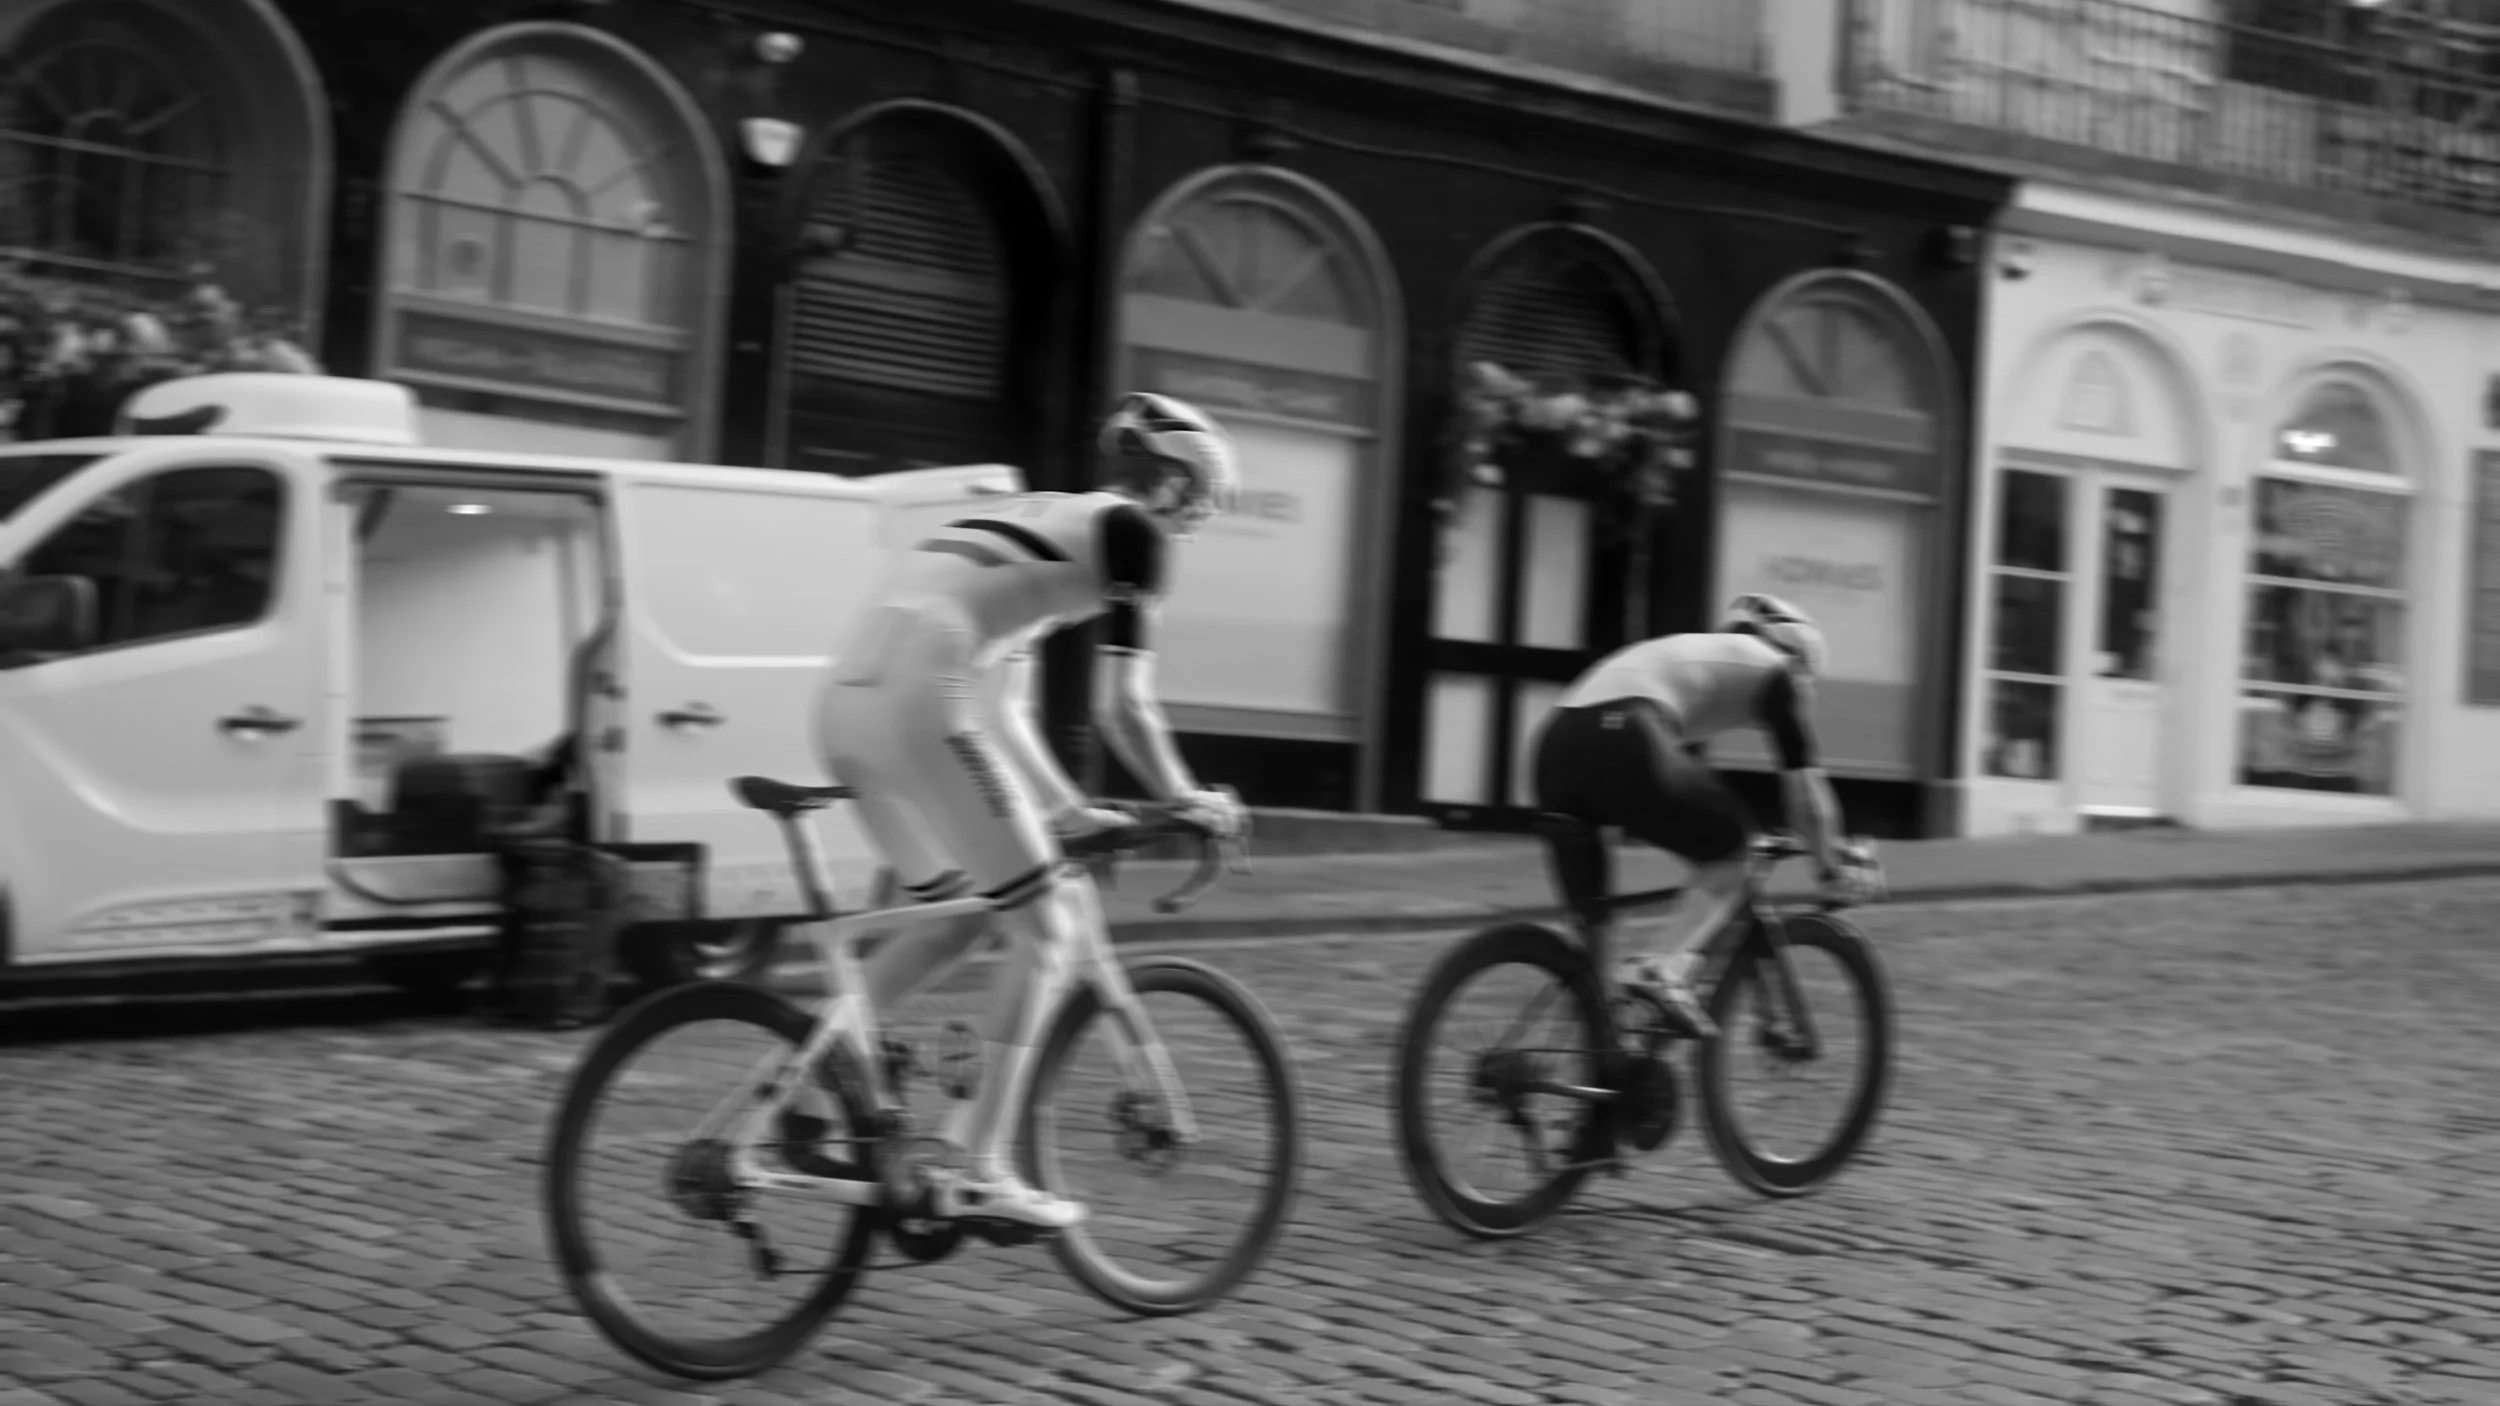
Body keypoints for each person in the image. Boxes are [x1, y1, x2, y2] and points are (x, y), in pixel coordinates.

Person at [811, 392, 1248, 1230]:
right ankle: (979, 1162)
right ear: (1174, 484)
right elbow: (1126, 709)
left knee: (952, 920)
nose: (1195, 519)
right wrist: (1193, 802)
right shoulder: (1135, 536)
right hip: (919, 698)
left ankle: (803, 1088)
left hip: (844, 709)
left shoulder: (1043, 524)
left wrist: (1068, 809)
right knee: (1045, 927)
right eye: (1198, 499)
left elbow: (1004, 711)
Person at [1528, 593, 1880, 1039]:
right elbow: (1806, 798)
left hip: (1554, 747)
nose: (1807, 691)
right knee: (1733, 853)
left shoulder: (1697, 661)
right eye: (1811, 678)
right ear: (1798, 653)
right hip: (1624, 733)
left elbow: (1679, 782)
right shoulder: (1777, 671)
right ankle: (1663, 968)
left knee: (1595, 954)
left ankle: (1599, 1078)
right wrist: (1830, 865)